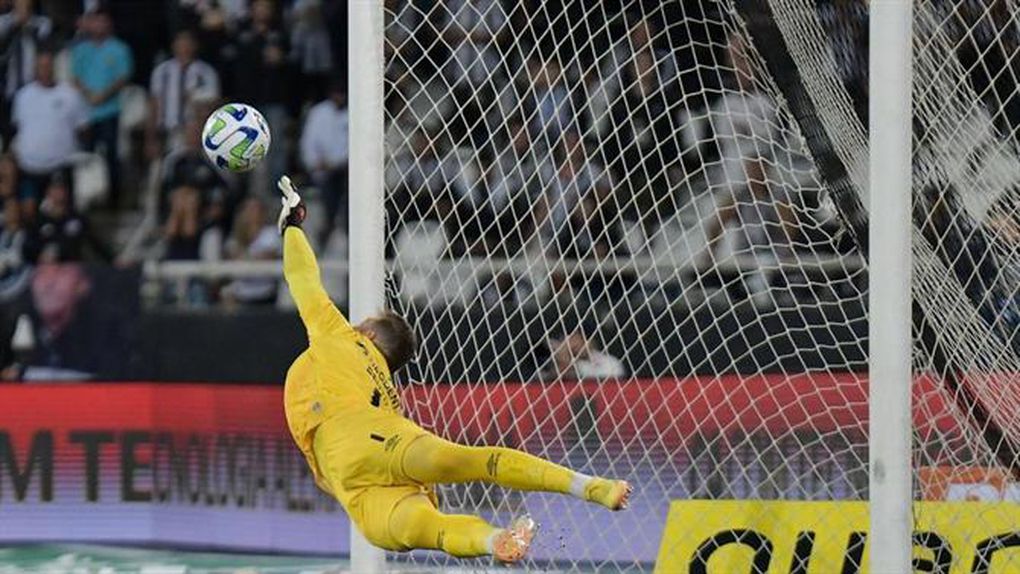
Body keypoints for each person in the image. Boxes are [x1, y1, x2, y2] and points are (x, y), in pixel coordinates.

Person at [275, 175, 631, 563]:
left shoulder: (344, 337)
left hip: (353, 460)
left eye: (363, 323)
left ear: (370, 335)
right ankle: (506, 534)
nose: (356, 324)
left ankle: (526, 521)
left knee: (434, 514)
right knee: (458, 477)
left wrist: (292, 227)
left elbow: (303, 278)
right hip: (368, 463)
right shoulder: (388, 396)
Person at [10, 50, 89, 218]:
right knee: (29, 213)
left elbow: (83, 128)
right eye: (41, 66)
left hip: (59, 166)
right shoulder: (23, 95)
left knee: (61, 214)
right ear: (35, 68)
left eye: (48, 66)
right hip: (29, 166)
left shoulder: (70, 94)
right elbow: (18, 126)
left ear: (54, 68)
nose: (45, 70)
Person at [70, 8, 133, 207]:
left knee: (110, 154)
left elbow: (123, 77)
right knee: (86, 155)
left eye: (103, 21)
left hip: (110, 111)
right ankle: (87, 196)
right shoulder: (81, 50)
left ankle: (113, 198)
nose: (99, 25)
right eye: (96, 21)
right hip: (85, 113)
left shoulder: (119, 49)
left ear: (109, 24)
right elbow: (75, 77)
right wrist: (89, 95)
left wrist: (103, 96)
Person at [147, 29, 221, 158]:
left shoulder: (206, 72)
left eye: (188, 43)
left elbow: (212, 104)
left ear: (195, 46)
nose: (184, 47)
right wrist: (150, 139)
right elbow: (154, 105)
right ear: (174, 45)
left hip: (196, 132)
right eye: (181, 43)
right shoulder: (162, 71)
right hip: (167, 132)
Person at [299, 82, 348, 245]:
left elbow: (355, 148)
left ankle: (337, 225)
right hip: (319, 171)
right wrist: (315, 163)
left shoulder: (354, 112)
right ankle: (327, 225)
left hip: (345, 170)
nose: (339, 97)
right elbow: (308, 143)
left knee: (343, 181)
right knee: (327, 185)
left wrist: (336, 163)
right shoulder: (319, 112)